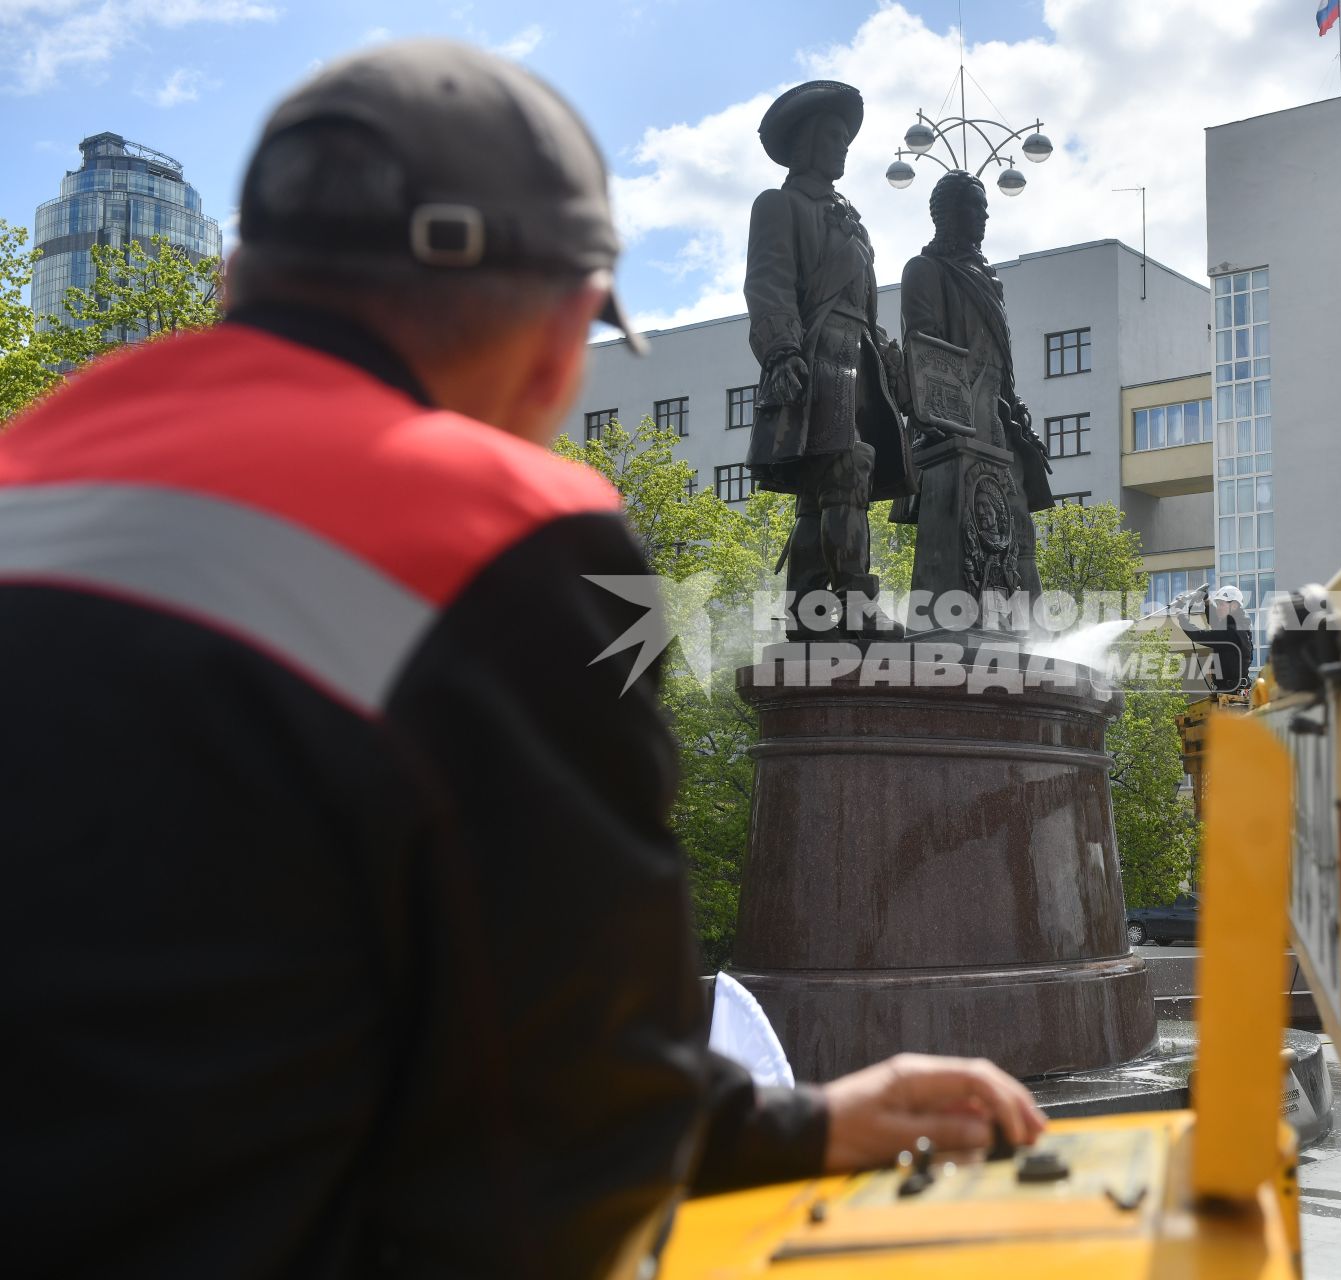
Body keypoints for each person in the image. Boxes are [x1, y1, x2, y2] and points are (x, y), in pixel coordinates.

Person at [0, 41, 1041, 1279]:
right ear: (549, 317)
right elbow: (561, 1141)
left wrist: (792, 1122)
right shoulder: (511, 543)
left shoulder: (33, 474)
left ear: (240, 274)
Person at [743, 80, 915, 640]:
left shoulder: (851, 218)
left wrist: (885, 353)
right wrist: (782, 352)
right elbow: (769, 285)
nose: (844, 147)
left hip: (857, 358)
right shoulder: (779, 205)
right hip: (817, 358)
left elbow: (864, 304)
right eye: (834, 137)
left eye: (846, 138)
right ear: (806, 143)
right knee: (844, 471)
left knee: (831, 490)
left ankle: (807, 613)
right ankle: (856, 607)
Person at [891, 169, 1053, 598]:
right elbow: (922, 348)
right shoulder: (924, 270)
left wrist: (1011, 406)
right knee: (967, 519)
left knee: (1017, 520)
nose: (984, 216)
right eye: (975, 206)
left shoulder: (987, 278)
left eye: (986, 208)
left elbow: (1000, 359)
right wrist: (943, 418)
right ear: (947, 213)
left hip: (996, 417)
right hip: (953, 422)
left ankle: (1029, 619)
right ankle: (960, 613)